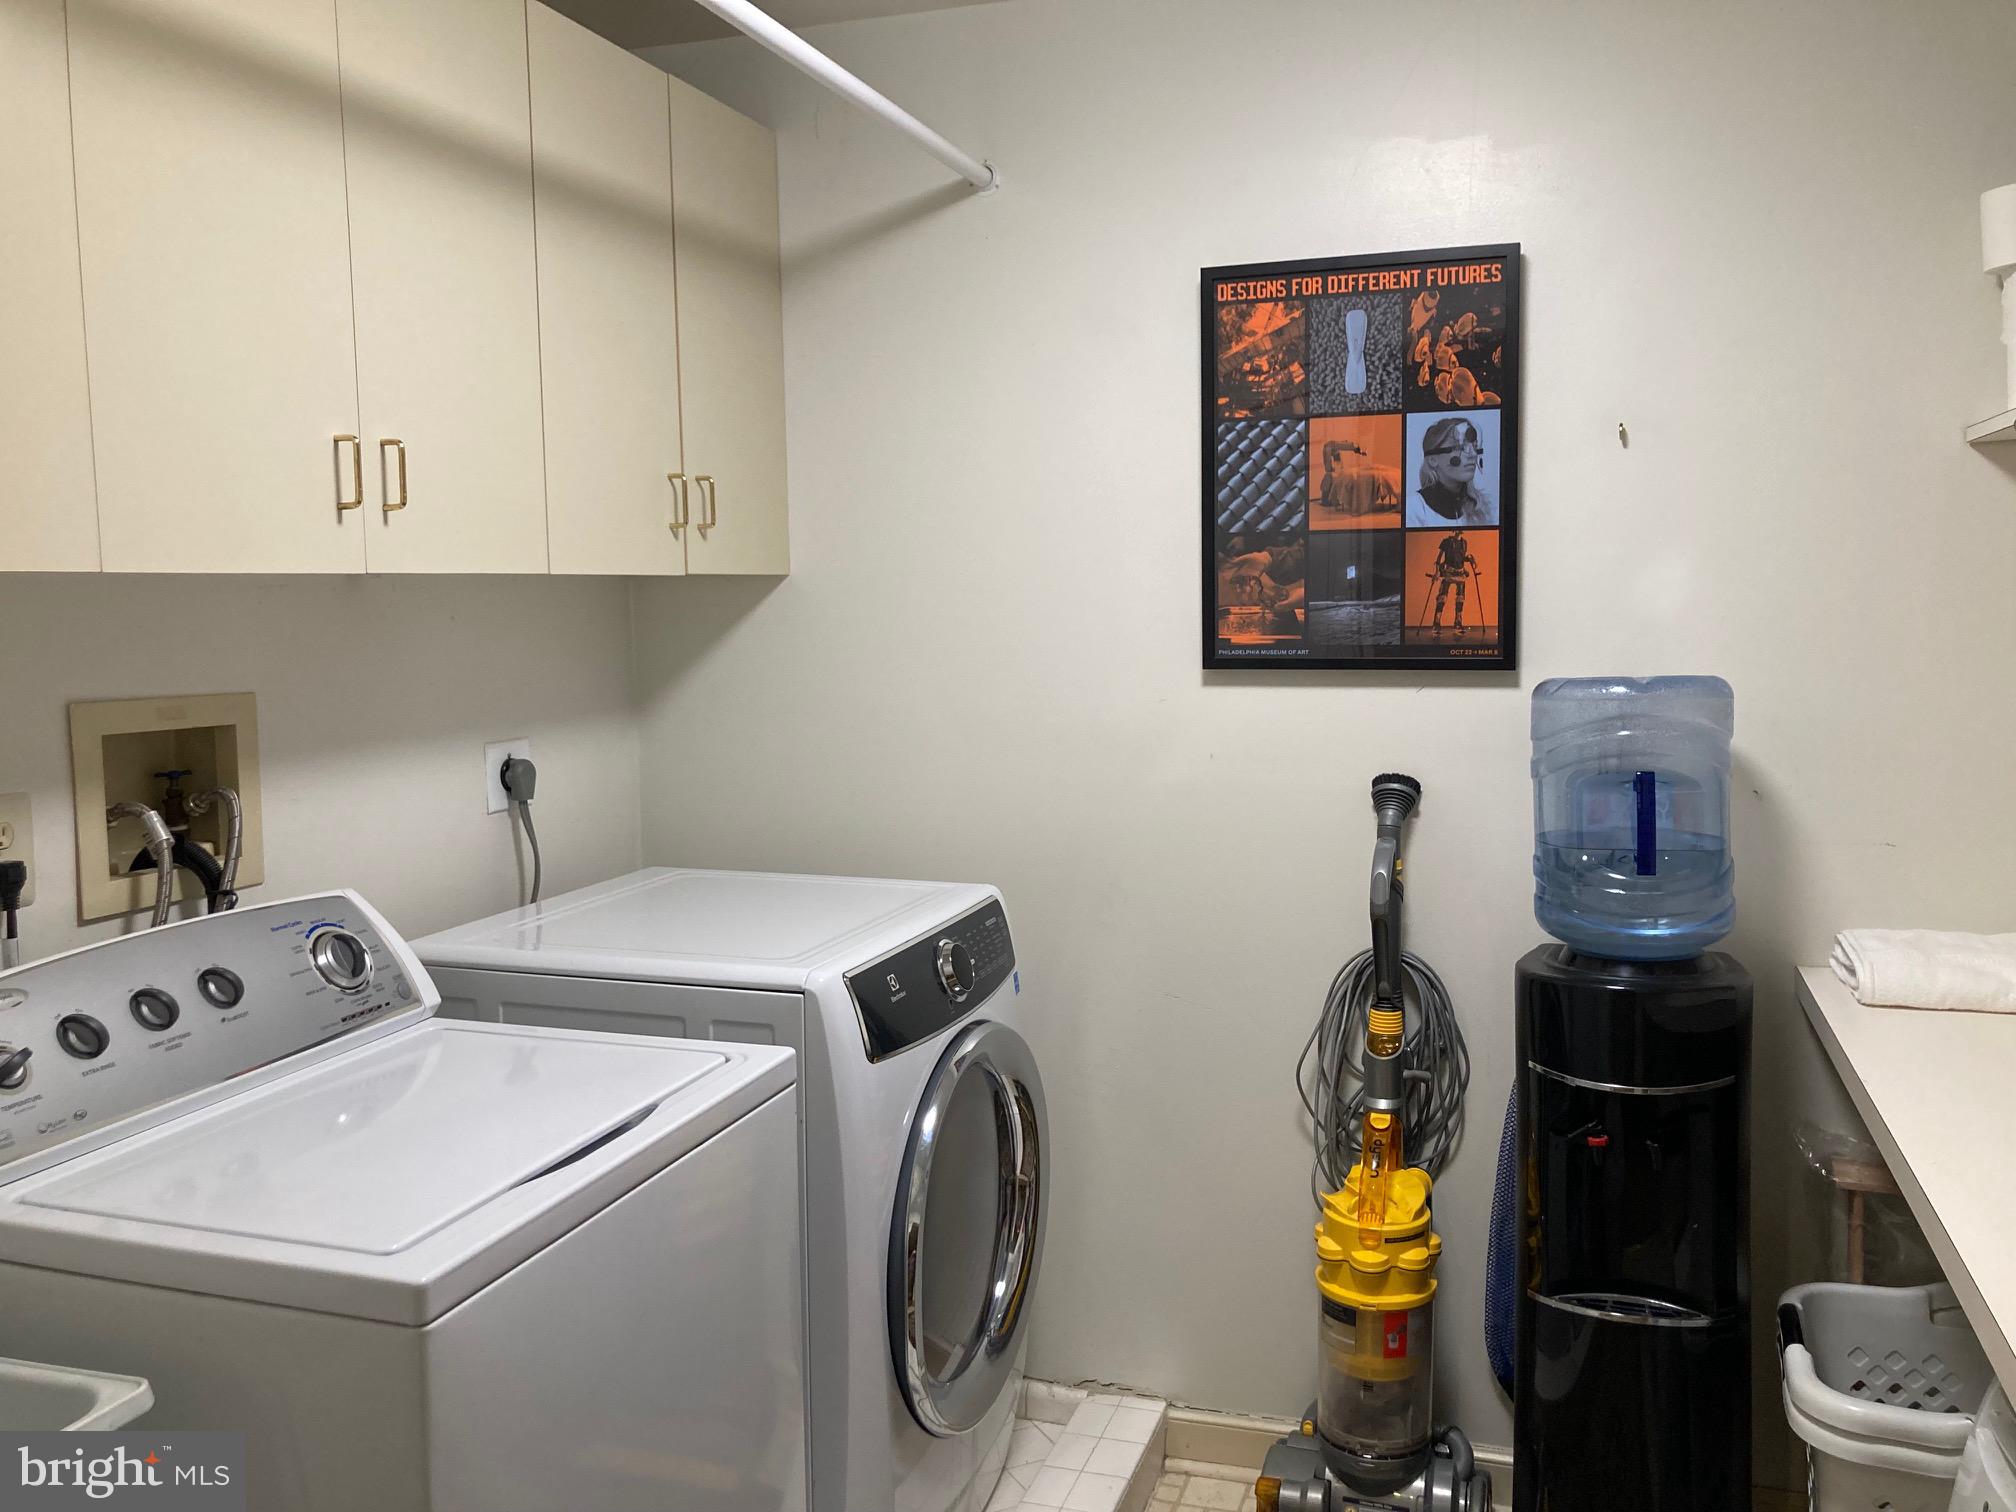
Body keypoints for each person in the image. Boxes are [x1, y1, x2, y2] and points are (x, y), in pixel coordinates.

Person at [1408, 417, 1496, 526]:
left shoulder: (1484, 508)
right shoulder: (1414, 510)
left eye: (1474, 446)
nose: (1473, 454)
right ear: (1433, 460)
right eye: (1459, 447)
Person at [1316, 438, 1400, 518]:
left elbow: (1339, 463)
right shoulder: (1329, 448)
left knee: (1334, 473)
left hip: (1337, 462)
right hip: (1334, 465)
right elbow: (1334, 467)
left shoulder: (1333, 448)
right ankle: (1329, 499)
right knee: (1331, 474)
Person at [1424, 530, 1479, 638]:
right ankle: (1436, 623)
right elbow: (1439, 558)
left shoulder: (1464, 542)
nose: (1459, 531)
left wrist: (1469, 559)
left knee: (1460, 598)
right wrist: (1436, 572)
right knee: (1442, 598)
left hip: (1460, 573)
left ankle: (1458, 623)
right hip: (1448, 572)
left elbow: (1461, 557)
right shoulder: (1446, 541)